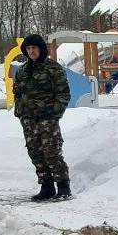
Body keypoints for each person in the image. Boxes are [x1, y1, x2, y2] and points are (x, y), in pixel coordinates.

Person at [13, 34, 72, 201]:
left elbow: (63, 94)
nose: (31, 51)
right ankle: (46, 187)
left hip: (47, 119)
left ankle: (63, 187)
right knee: (35, 153)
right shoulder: (23, 70)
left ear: (41, 49)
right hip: (28, 120)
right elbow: (17, 92)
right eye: (29, 48)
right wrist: (20, 112)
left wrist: (54, 114)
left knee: (51, 152)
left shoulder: (53, 68)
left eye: (34, 48)